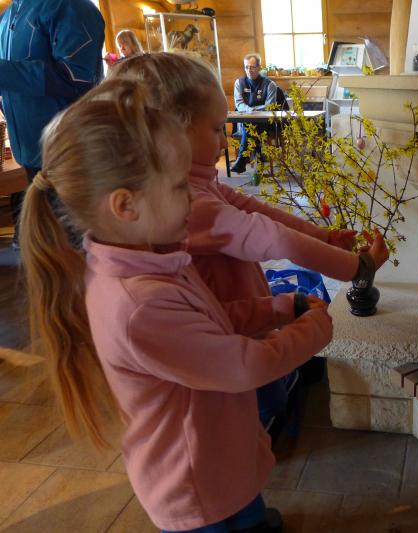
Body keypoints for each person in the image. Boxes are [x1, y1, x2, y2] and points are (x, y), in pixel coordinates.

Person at [20, 77, 333, 532]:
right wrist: (314, 331)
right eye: (178, 186)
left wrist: (278, 309)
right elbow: (245, 365)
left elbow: (210, 321)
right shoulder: (137, 305)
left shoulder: (156, 258)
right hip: (196, 486)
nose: (193, 195)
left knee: (245, 508)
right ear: (126, 205)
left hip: (220, 458)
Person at [109, 53, 389, 440]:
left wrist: (322, 237)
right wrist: (358, 268)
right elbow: (272, 237)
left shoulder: (199, 185)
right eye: (216, 130)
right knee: (254, 414)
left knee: (263, 408)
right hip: (228, 337)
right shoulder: (189, 202)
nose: (225, 140)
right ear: (174, 132)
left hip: (241, 320)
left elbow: (256, 210)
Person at [0, 0, 105, 249]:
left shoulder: (72, 7)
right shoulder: (8, 15)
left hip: (71, 152)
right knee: (51, 252)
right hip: (29, 153)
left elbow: (77, 76)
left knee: (80, 249)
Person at [230, 53, 288, 174]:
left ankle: (243, 159)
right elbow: (239, 104)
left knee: (249, 125)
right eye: (246, 67)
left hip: (266, 123)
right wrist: (249, 110)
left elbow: (269, 106)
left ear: (259, 67)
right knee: (248, 124)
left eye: (252, 67)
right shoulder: (239, 83)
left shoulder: (270, 84)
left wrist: (253, 110)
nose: (249, 70)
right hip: (245, 121)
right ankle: (257, 156)